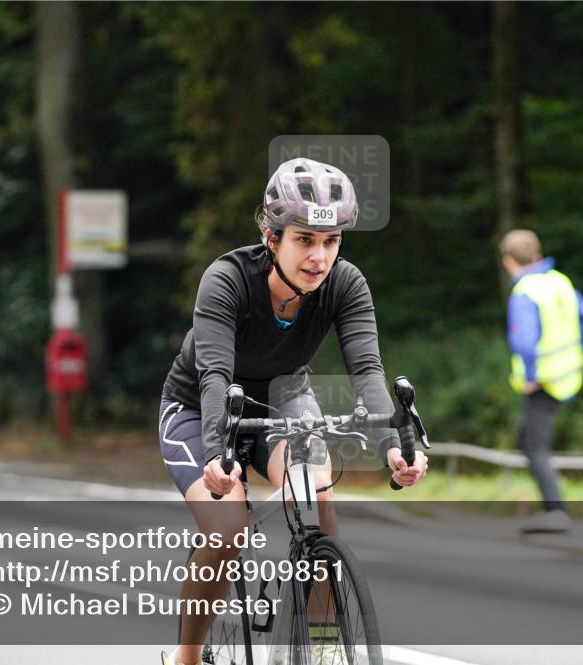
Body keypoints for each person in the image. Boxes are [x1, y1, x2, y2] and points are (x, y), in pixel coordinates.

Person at [158, 157, 429, 665]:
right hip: (198, 406)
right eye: (305, 240)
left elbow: (367, 369)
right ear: (271, 236)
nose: (320, 256)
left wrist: (393, 444)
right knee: (227, 528)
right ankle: (187, 654)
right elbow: (216, 375)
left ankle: (319, 645)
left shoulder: (345, 285)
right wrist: (219, 454)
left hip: (283, 396)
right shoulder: (227, 279)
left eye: (331, 242)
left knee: (317, 493)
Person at [500, 229, 583, 534]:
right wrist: (575, 350)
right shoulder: (559, 281)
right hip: (566, 375)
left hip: (541, 381)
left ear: (508, 261)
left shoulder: (525, 290)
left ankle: (555, 511)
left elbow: (525, 342)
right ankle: (552, 509)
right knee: (528, 439)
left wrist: (531, 376)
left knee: (534, 445)